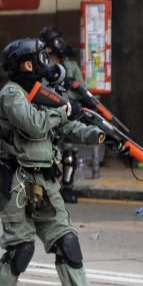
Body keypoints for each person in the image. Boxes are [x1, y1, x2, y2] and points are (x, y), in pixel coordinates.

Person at [0, 37, 124, 286]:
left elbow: (67, 127)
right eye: (40, 58)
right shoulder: (11, 95)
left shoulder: (43, 94)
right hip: (18, 181)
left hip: (44, 180)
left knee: (66, 242)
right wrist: (64, 108)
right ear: (27, 64)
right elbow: (34, 124)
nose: (47, 63)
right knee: (21, 248)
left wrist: (101, 136)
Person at [40, 26, 85, 203]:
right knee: (47, 154)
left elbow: (81, 90)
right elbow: (39, 89)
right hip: (48, 115)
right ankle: (48, 189)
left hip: (68, 114)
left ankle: (67, 187)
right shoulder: (41, 67)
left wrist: (70, 89)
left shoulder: (71, 67)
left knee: (69, 153)